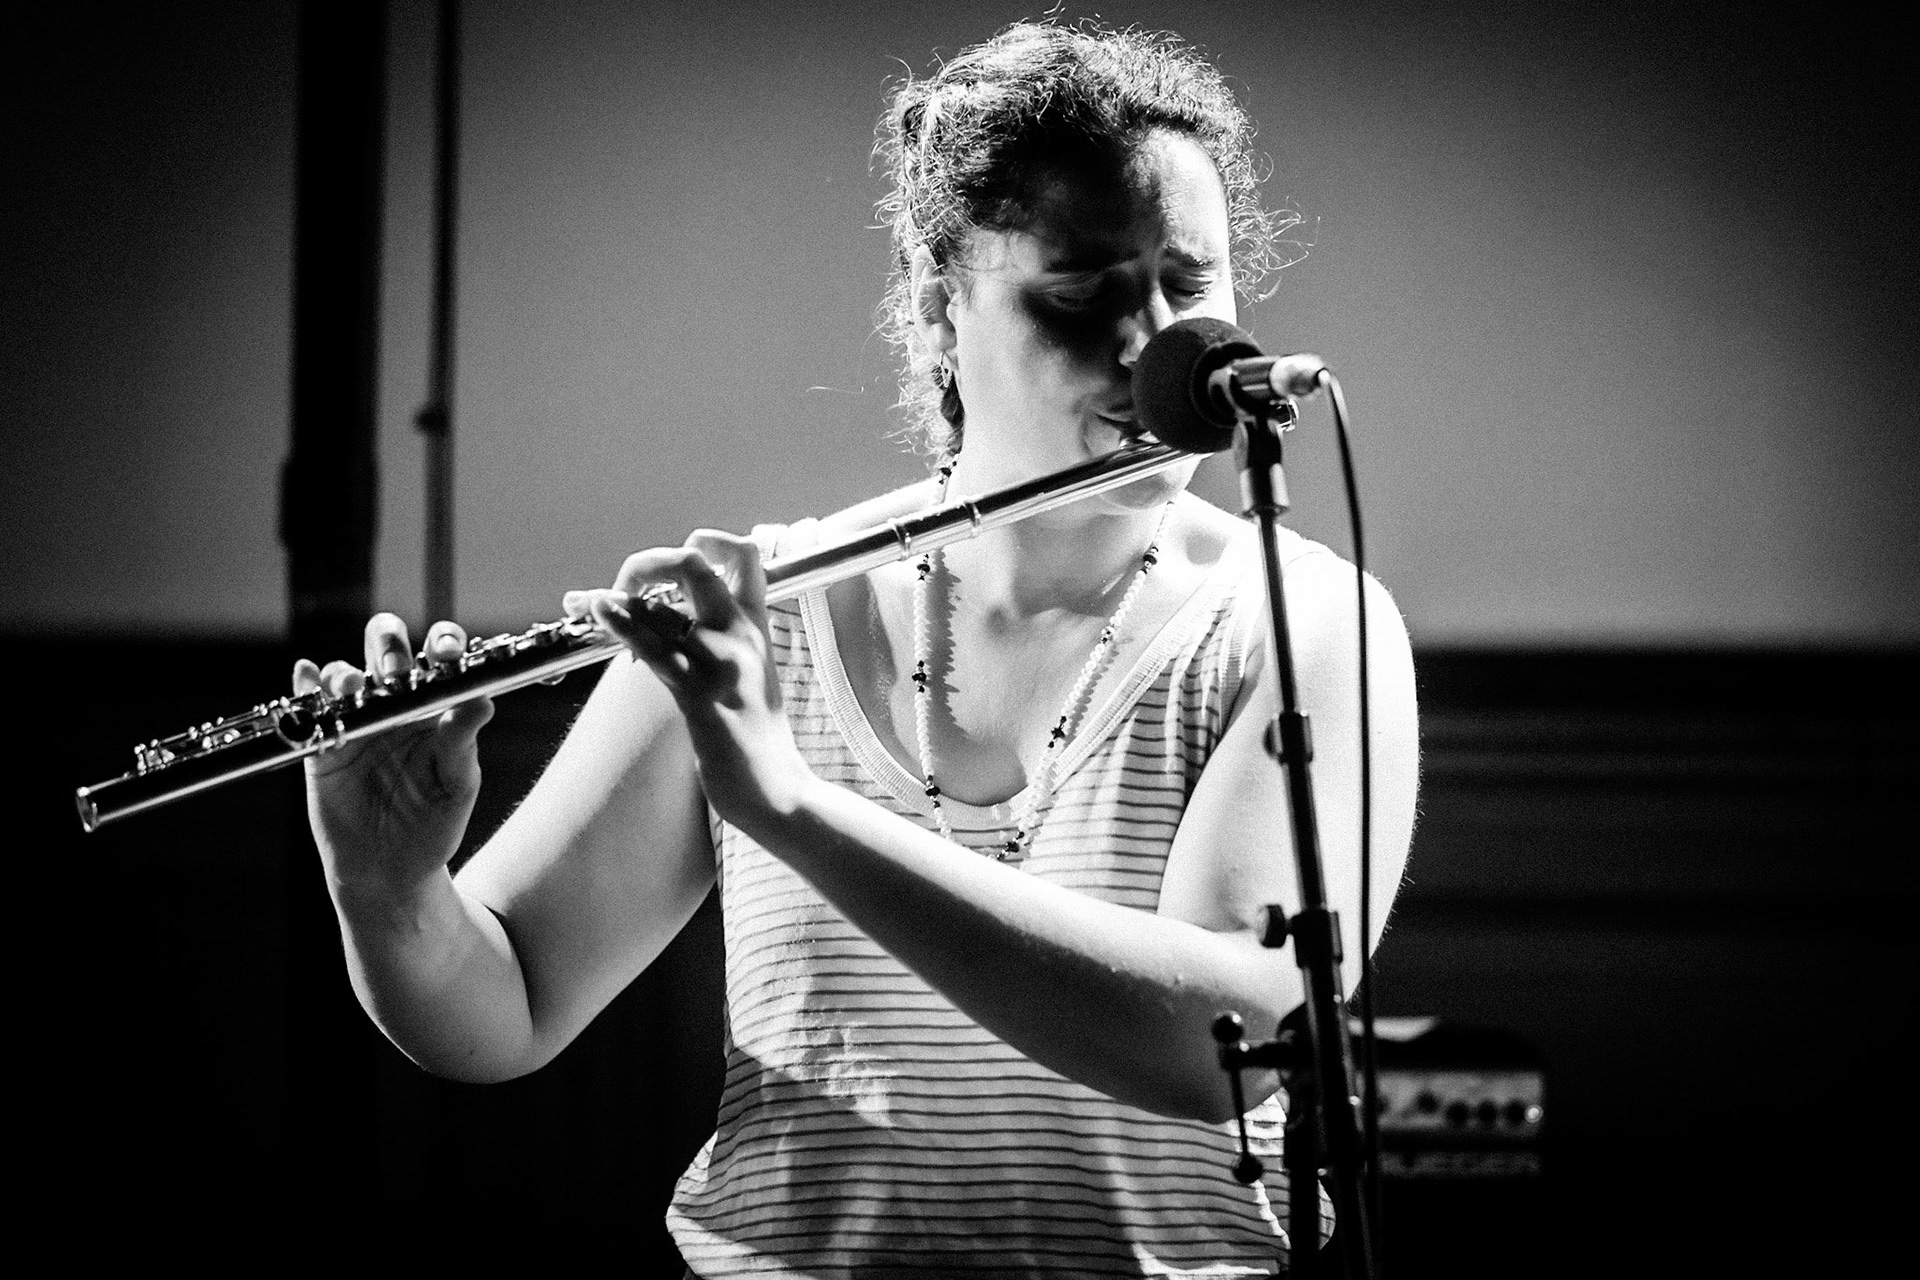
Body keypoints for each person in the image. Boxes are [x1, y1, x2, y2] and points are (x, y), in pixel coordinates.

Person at [295, 20, 1418, 1276]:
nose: (1153, 346)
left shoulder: (1302, 619)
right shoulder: (755, 614)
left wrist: (789, 806)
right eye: (1079, 290)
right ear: (942, 311)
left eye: (1189, 283)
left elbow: (1225, 1034)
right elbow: (497, 1006)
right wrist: (389, 890)